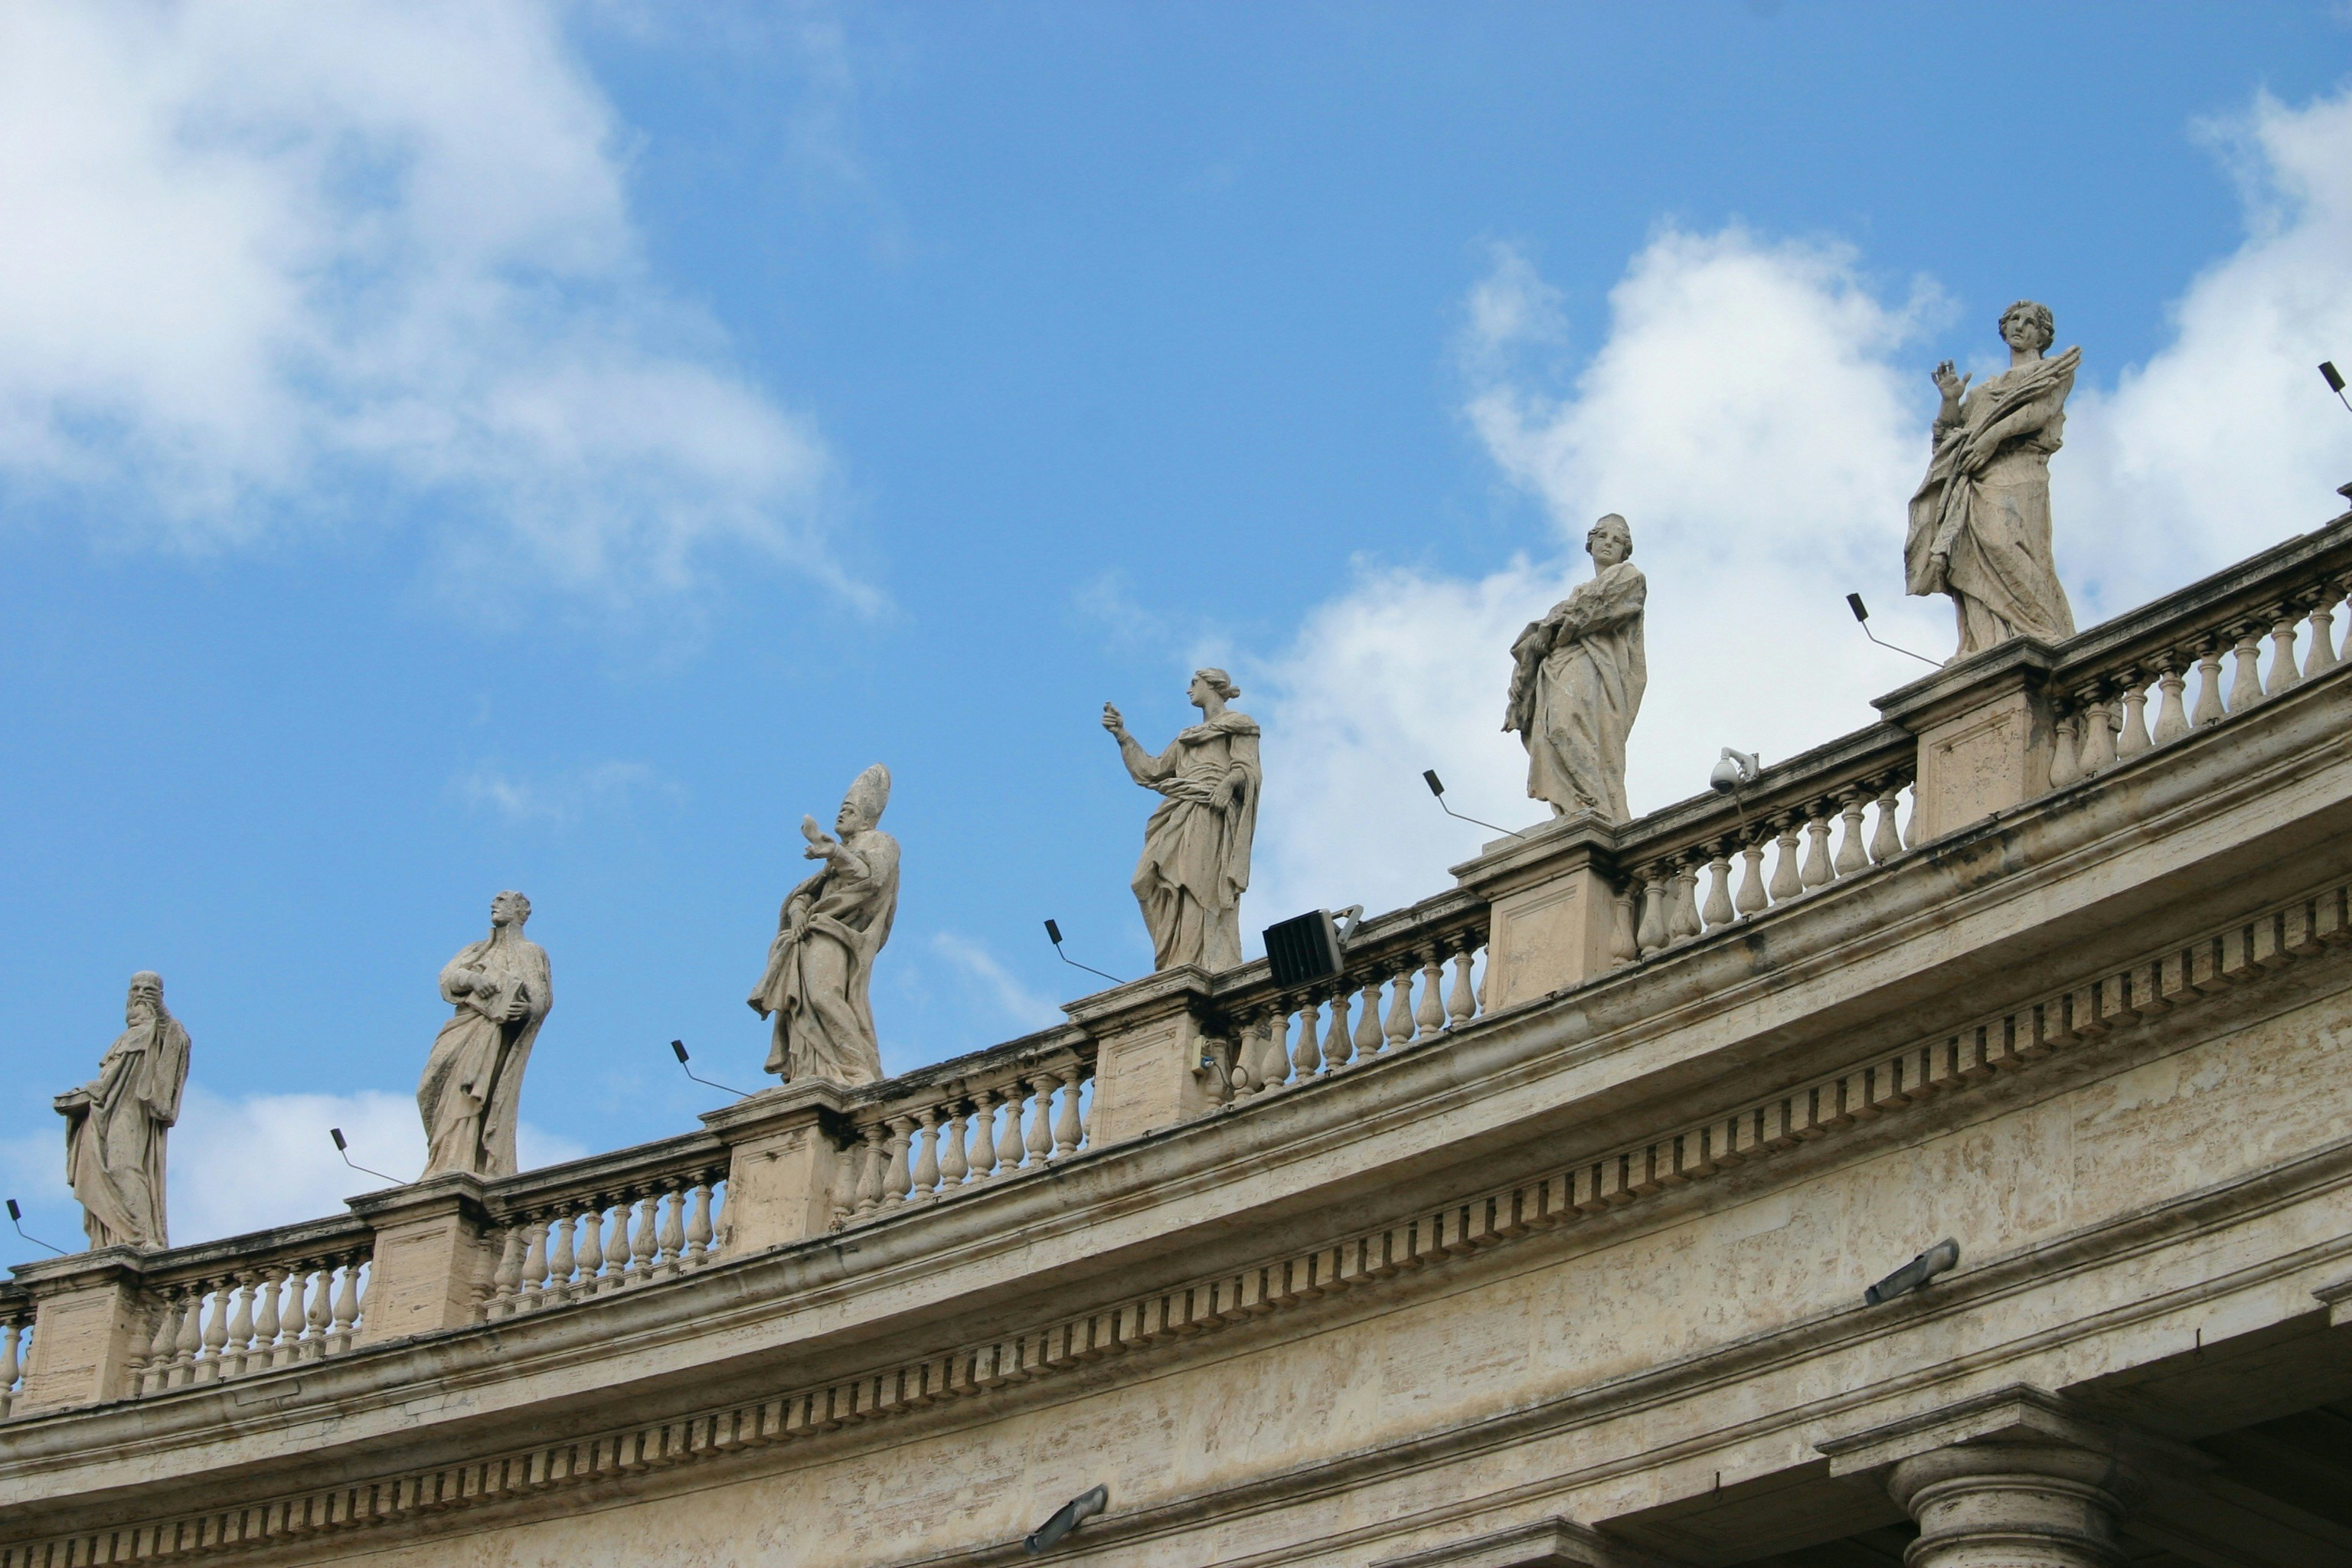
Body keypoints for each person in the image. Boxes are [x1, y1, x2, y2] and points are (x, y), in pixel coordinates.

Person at [1906, 300, 2079, 658]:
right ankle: (1985, 643)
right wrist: (1950, 401)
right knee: (1966, 556)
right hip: (1973, 481)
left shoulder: (2053, 372)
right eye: (2013, 319)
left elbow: (2038, 411)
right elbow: (1949, 437)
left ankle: (2042, 633)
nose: (2020, 326)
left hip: (2018, 474)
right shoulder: (1984, 392)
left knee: (2009, 546)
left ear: (2043, 333)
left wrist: (1990, 439)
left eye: (2030, 322)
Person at [1102, 670, 1261, 974]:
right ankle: (1174, 955)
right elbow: (1151, 771)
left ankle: (1195, 960)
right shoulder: (1187, 737)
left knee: (1195, 883)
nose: (1188, 690)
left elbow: (1248, 769)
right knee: (1145, 879)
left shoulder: (1239, 725)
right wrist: (1122, 735)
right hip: (1178, 809)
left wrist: (1228, 784)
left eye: (1193, 683)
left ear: (1212, 686)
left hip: (1208, 809)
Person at [748, 765, 898, 1085]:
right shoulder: (837, 857)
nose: (841, 816)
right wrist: (798, 913)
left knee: (824, 996)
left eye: (849, 810)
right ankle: (813, 1071)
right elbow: (805, 894)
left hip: (838, 933)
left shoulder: (881, 842)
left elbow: (871, 878)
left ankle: (856, 1069)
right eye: (841, 810)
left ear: (867, 817)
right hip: (809, 932)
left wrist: (836, 853)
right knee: (803, 1008)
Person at [1504, 513, 1648, 822]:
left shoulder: (1630, 577)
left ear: (1626, 550)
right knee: (1552, 733)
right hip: (1561, 665)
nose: (1609, 543)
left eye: (1618, 540)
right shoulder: (1579, 590)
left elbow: (1596, 611)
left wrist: (1552, 625)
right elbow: (1569, 616)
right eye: (1603, 536)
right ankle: (1575, 809)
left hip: (1594, 667)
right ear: (1591, 543)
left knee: (1566, 725)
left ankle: (1597, 807)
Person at [417, 891, 551, 1179]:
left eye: (502, 901)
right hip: (463, 1026)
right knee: (429, 1087)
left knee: (470, 1091)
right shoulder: (477, 949)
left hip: (492, 1033)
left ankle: (459, 1160)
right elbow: (448, 977)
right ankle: (442, 1156)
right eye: (495, 900)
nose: (494, 904)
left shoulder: (531, 952)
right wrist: (473, 979)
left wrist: (526, 1008)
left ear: (520, 910)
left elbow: (541, 998)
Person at [56, 972, 190, 1250]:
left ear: (159, 997)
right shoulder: (124, 1038)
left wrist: (162, 1012)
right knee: (101, 1172)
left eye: (149, 990)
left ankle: (140, 1238)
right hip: (102, 1113)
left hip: (132, 1111)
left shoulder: (160, 1029)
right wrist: (82, 1097)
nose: (141, 994)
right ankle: (108, 1241)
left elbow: (176, 1042)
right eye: (136, 989)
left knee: (124, 1167)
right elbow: (108, 1083)